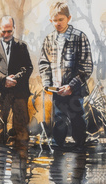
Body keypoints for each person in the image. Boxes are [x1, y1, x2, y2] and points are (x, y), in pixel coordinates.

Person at [38, 1, 93, 150]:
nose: (57, 23)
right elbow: (44, 64)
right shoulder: (49, 39)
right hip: (56, 90)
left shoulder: (79, 37)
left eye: (61, 19)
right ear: (51, 21)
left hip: (75, 90)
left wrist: (71, 86)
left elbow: (86, 67)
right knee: (59, 118)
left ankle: (80, 149)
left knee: (77, 118)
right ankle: (57, 149)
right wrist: (47, 84)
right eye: (54, 20)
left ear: (69, 18)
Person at [0, 16, 33, 159]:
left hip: (19, 93)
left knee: (22, 127)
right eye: (3, 32)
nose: (6, 35)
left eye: (9, 32)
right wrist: (3, 80)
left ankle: (22, 162)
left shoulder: (22, 46)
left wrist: (15, 79)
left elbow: (28, 67)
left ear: (14, 29)